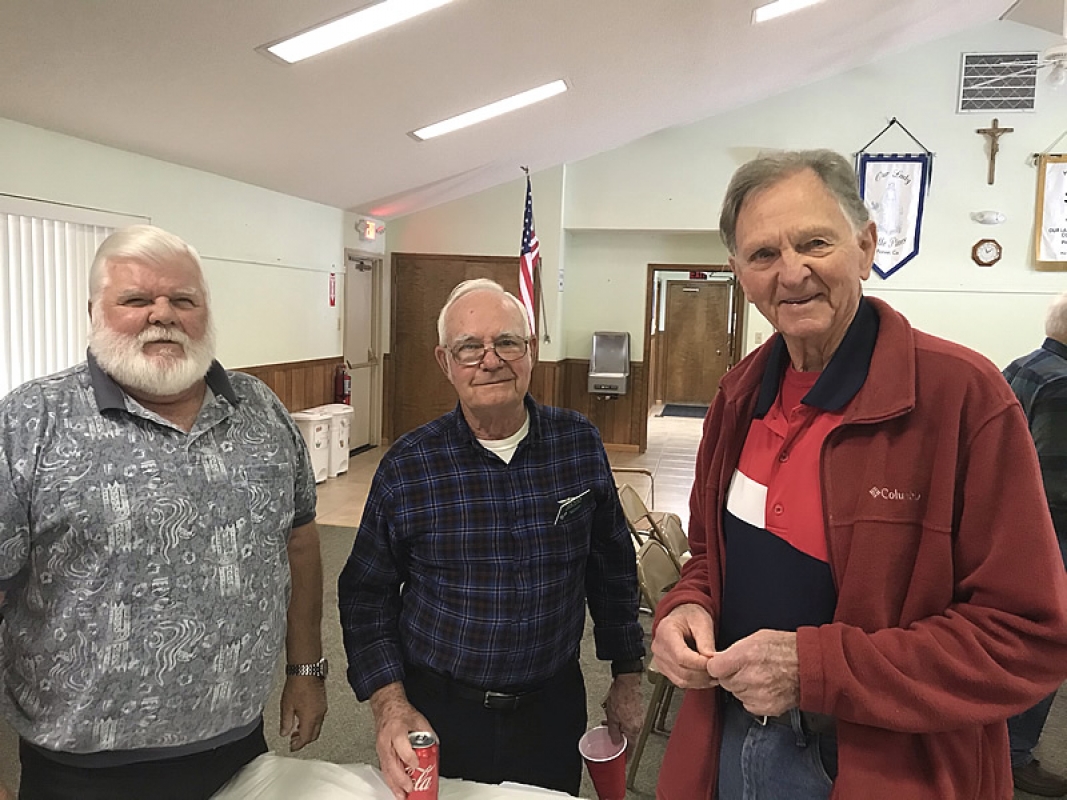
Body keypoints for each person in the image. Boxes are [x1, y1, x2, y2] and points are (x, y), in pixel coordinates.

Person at [650, 150, 1067, 800]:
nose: (791, 273)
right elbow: (707, 556)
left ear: (865, 245)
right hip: (733, 737)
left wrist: (814, 670)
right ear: (738, 274)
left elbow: (1027, 636)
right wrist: (685, 605)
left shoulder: (962, 397)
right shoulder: (737, 397)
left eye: (813, 242)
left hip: (879, 768)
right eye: (762, 256)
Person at [0, 225, 327, 800]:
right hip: (79, 768)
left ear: (205, 312)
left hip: (237, 745)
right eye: (135, 300)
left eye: (183, 299)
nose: (163, 315)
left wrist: (306, 671)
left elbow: (299, 542)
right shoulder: (30, 422)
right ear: (94, 312)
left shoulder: (259, 411)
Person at [338, 278, 644, 799]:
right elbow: (366, 594)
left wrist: (627, 673)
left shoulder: (578, 442)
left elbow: (612, 565)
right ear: (445, 361)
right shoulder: (409, 466)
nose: (490, 360)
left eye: (507, 342)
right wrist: (389, 705)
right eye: (469, 347)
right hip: (439, 713)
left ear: (531, 351)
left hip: (552, 710)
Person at [1002, 293, 1067, 797]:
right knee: (1049, 644)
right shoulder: (1064, 384)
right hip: (1052, 538)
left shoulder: (1022, 366)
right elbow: (1057, 486)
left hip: (1008, 528)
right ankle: (1014, 754)